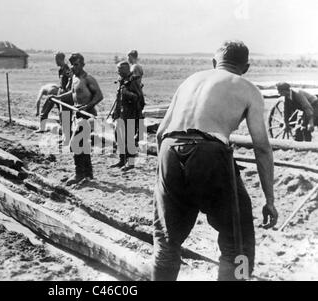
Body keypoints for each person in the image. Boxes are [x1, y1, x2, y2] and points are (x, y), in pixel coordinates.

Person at [153, 41, 278, 281]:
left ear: (214, 63)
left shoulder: (190, 81)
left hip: (169, 148)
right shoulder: (247, 88)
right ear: (246, 67)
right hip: (209, 152)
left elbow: (160, 134)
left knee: (167, 240)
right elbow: (261, 147)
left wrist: (164, 179)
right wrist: (269, 200)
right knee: (237, 242)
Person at [50, 53, 103, 186]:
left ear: (83, 65)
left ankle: (79, 174)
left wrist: (87, 107)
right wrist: (59, 97)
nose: (74, 67)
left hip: (88, 115)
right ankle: (88, 173)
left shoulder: (88, 79)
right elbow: (73, 93)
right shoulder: (74, 78)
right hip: (77, 114)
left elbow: (99, 95)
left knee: (74, 143)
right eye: (72, 64)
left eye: (77, 64)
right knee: (82, 144)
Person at [110, 61, 144, 171]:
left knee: (129, 139)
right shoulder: (122, 81)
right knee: (119, 137)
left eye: (120, 69)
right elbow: (118, 99)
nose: (118, 71)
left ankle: (131, 163)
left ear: (126, 70)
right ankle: (122, 160)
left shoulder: (133, 81)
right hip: (122, 114)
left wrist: (126, 93)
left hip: (131, 115)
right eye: (117, 69)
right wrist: (115, 113)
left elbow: (139, 98)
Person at [35, 52, 74, 145]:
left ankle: (67, 138)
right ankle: (65, 137)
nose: (55, 61)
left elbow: (72, 80)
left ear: (61, 59)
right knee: (62, 116)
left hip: (66, 96)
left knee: (66, 116)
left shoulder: (67, 69)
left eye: (56, 59)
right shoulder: (60, 70)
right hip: (61, 94)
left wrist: (66, 91)